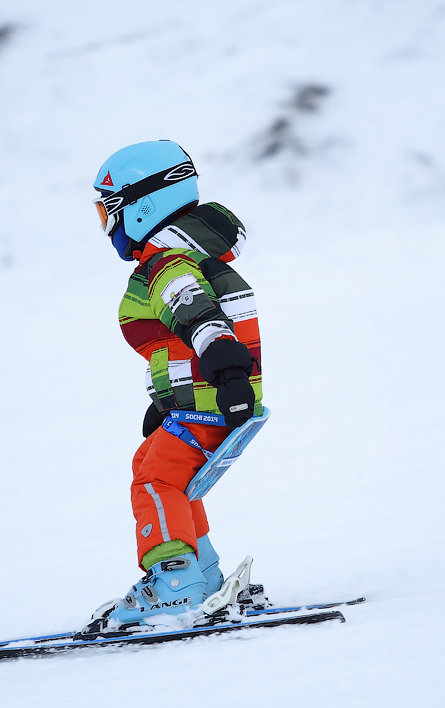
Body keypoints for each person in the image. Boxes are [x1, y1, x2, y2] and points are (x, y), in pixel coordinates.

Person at [86, 140, 264, 631]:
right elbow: (175, 344)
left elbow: (196, 315)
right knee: (157, 467)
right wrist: (165, 402)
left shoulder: (168, 265)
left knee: (155, 480)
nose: (109, 229)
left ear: (142, 207)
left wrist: (227, 370)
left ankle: (175, 583)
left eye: (110, 214)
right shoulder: (183, 257)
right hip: (207, 400)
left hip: (217, 399)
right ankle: (203, 574)